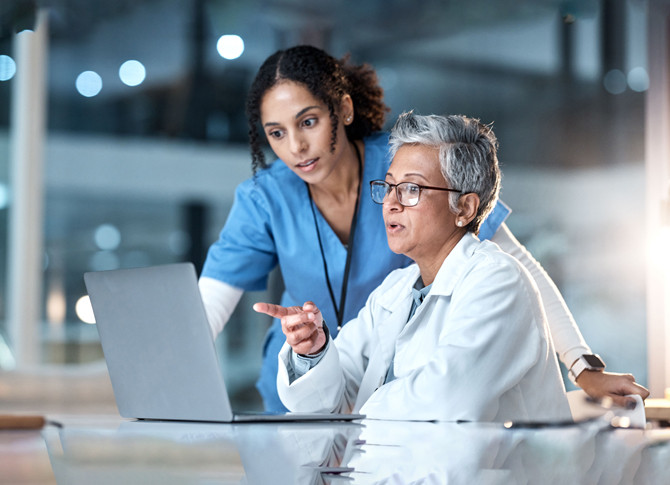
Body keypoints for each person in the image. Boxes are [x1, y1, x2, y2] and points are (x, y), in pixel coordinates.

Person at [199, 45, 648, 412]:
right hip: (312, 384)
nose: (295, 147)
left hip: (399, 391)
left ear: (344, 110)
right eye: (276, 133)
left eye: (309, 122)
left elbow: (519, 266)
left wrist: (582, 365)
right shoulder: (266, 197)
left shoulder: (406, 167)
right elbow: (207, 312)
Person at [254, 112, 572, 421]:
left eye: (411, 189)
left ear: (464, 207)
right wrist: (313, 352)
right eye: (389, 186)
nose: (391, 203)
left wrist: (355, 416)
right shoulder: (396, 289)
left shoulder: (498, 281)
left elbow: (447, 400)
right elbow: (332, 395)